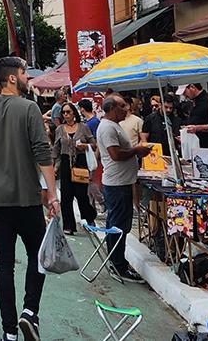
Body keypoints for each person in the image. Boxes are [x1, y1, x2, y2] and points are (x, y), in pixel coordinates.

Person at [0, 57, 58, 341]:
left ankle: (9, 332)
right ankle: (29, 312)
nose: (27, 77)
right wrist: (53, 194)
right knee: (38, 256)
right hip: (27, 199)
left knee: (4, 265)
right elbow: (42, 153)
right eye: (23, 73)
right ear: (12, 78)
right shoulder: (30, 109)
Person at [96, 93, 153, 282]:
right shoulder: (107, 128)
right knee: (119, 225)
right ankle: (118, 264)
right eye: (122, 106)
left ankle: (116, 260)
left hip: (122, 182)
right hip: (117, 184)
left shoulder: (113, 126)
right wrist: (136, 150)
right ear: (111, 108)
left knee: (117, 224)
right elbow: (115, 154)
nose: (126, 109)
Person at [52, 102, 98, 235]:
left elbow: (94, 144)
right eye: (63, 112)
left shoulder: (83, 127)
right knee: (66, 196)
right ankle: (69, 225)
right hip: (66, 162)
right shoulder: (60, 129)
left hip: (80, 161)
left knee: (81, 194)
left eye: (68, 112)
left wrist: (85, 146)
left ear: (74, 113)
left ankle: (89, 217)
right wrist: (54, 166)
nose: (66, 115)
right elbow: (56, 148)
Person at [183, 83, 208, 178]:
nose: (185, 95)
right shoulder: (195, 103)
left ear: (192, 87)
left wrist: (198, 128)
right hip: (200, 149)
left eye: (185, 92)